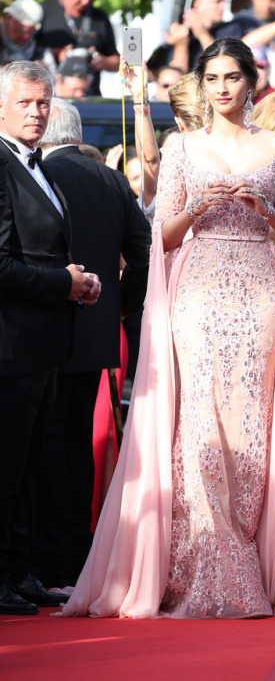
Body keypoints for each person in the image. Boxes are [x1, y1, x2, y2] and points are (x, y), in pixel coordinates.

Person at [58, 37, 275, 619]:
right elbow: (162, 237)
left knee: (251, 432)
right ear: (202, 85)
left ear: (252, 81)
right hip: (196, 296)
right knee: (197, 428)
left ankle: (249, 553)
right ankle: (208, 564)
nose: (222, 88)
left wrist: (261, 209)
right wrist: (197, 210)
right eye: (213, 78)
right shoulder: (178, 147)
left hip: (260, 295)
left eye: (232, 77)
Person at [34, 98, 151, 587]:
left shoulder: (38, 175)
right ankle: (74, 558)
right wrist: (121, 307)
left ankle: (41, 561)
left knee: (39, 450)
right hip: (96, 333)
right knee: (79, 446)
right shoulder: (112, 179)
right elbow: (144, 251)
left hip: (42, 331)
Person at [0, 61, 101, 615]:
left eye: (43, 103)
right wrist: (60, 283)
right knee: (6, 468)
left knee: (29, 468)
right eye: (25, 103)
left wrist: (74, 282)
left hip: (42, 345)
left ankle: (21, 573)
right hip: (11, 345)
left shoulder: (39, 166)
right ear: (0, 108)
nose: (37, 112)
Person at [38, 0, 120, 96]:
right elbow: (27, 55)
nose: (86, 1)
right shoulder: (44, 11)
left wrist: (102, 62)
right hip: (51, 98)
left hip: (89, 96)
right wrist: (54, 55)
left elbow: (117, 62)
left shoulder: (100, 18)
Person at [0, 0, 53, 69]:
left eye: (31, 32)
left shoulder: (39, 47)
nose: (26, 37)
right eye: (21, 30)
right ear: (9, 18)